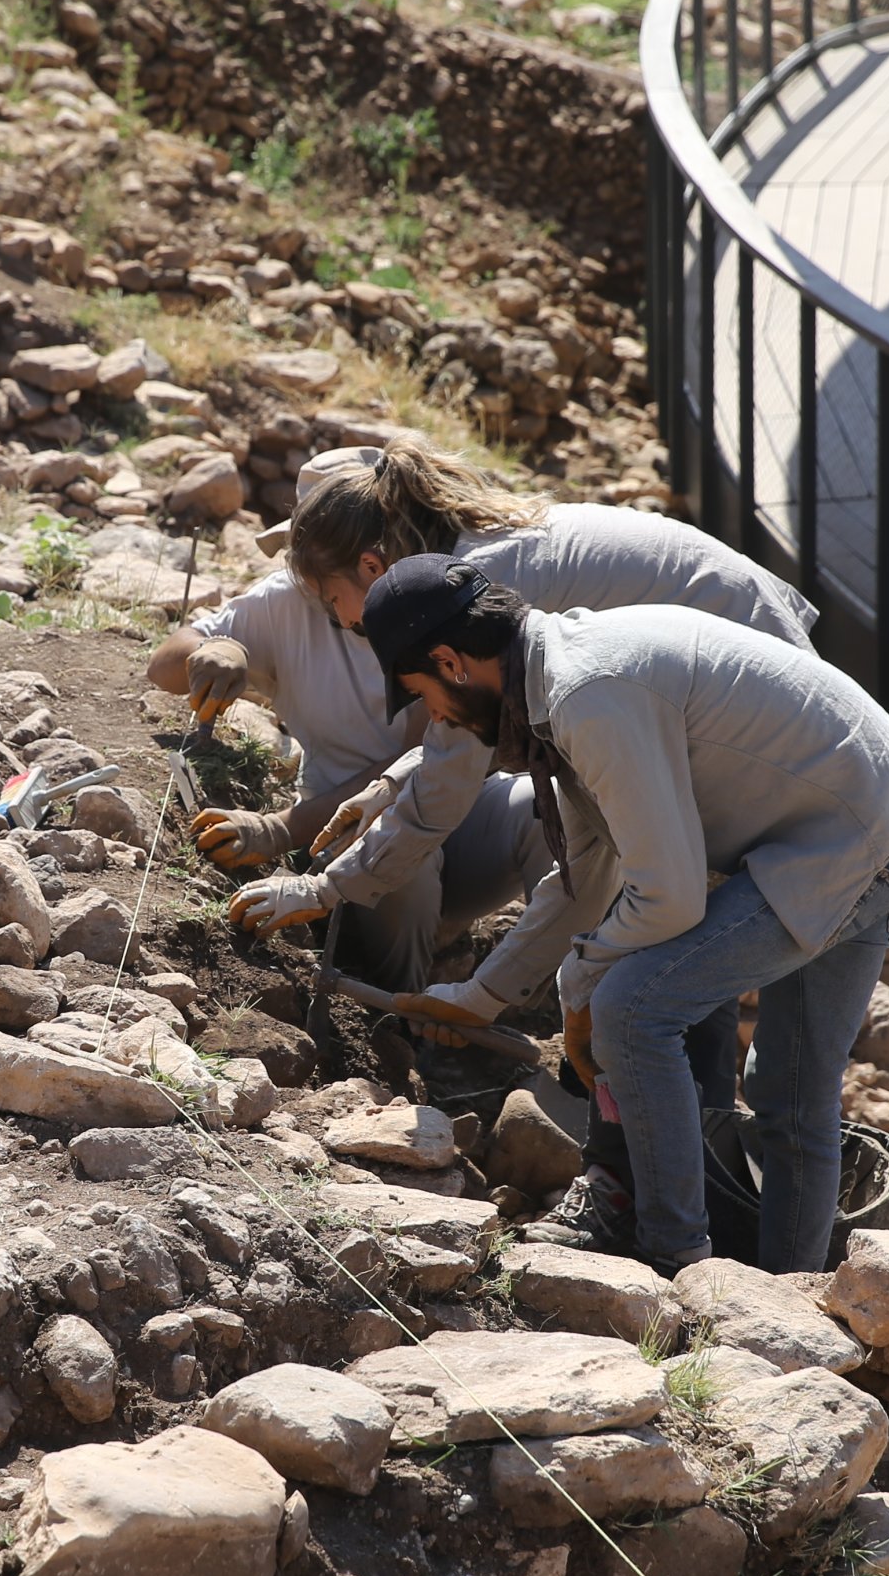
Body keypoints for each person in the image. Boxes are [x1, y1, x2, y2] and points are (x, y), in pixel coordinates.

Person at [223, 433, 820, 1191]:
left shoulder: (471, 590)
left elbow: (447, 795)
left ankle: (670, 1181)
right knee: (670, 929)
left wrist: (321, 890)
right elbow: (465, 754)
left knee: (668, 946)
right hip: (738, 676)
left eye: (337, 605)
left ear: (371, 570)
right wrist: (392, 784)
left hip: (747, 708)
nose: (344, 625)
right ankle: (680, 1165)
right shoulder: (471, 572)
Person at [356, 556, 889, 1274]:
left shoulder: (588, 694)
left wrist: (581, 988)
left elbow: (669, 895)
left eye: (422, 694)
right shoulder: (561, 678)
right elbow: (585, 874)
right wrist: (479, 998)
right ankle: (786, 1297)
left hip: (848, 835)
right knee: (791, 1090)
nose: (434, 715)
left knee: (632, 1010)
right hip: (886, 814)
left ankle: (679, 1263)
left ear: (452, 661)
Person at [144, 447, 548, 996]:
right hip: (349, 829)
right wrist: (214, 649)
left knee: (545, 812)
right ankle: (404, 1019)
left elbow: (430, 761)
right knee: (399, 851)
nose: (332, 604)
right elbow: (164, 663)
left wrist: (279, 828)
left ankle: (552, 993)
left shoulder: (433, 599)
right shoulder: (289, 604)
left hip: (457, 819)